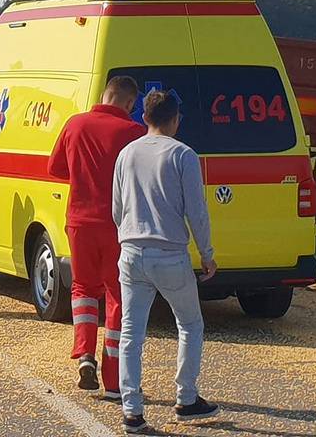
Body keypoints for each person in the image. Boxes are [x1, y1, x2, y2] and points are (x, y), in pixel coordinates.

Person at [112, 90, 220, 434]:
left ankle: (132, 410)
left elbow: (117, 208)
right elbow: (196, 212)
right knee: (189, 324)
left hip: (130, 252)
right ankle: (186, 397)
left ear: (143, 117)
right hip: (170, 252)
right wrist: (207, 253)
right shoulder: (183, 155)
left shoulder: (126, 154)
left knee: (132, 331)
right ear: (176, 119)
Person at [47, 76, 145, 399]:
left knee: (83, 289)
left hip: (79, 222)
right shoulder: (133, 133)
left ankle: (84, 354)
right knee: (118, 296)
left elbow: (55, 168)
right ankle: (114, 379)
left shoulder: (75, 125)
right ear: (130, 104)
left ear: (105, 94)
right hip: (117, 226)